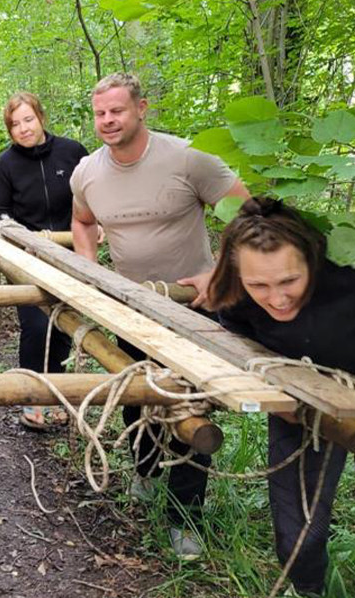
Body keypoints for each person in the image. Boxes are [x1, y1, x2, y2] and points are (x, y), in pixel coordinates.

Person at [209, 197, 355, 598]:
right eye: (259, 286)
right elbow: (235, 335)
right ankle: (308, 589)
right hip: (303, 410)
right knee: (298, 539)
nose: (277, 299)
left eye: (289, 281)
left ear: (313, 257)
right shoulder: (236, 292)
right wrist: (276, 388)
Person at [69, 72, 250, 559]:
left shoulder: (188, 157)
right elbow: (82, 223)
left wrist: (219, 274)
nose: (108, 121)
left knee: (185, 405)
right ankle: (146, 477)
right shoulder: (86, 171)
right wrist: (90, 272)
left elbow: (250, 214)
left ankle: (185, 521)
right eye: (100, 113)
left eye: (117, 111)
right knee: (135, 392)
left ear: (141, 108)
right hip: (130, 305)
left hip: (194, 308)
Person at [0, 92, 88, 430]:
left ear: (41, 117)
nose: (23, 129)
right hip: (27, 257)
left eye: (28, 120)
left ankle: (55, 394)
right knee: (36, 326)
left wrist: (98, 222)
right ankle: (33, 399)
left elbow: (93, 194)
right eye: (15, 124)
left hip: (70, 254)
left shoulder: (72, 152)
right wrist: (19, 237)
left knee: (62, 325)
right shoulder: (6, 163)